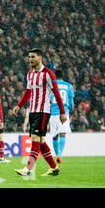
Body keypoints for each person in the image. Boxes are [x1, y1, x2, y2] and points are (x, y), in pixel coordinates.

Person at [13, 48, 67, 177]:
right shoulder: (30, 74)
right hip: (32, 111)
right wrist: (19, 105)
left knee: (35, 139)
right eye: (29, 57)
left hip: (43, 111)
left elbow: (57, 94)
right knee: (41, 141)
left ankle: (29, 169)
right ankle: (54, 168)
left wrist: (62, 112)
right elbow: (28, 92)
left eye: (33, 57)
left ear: (40, 58)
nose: (30, 59)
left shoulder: (48, 74)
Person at [49, 70, 74, 163]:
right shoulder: (68, 86)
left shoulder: (51, 86)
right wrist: (70, 109)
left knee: (55, 135)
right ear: (63, 76)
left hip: (53, 113)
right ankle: (59, 154)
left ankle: (57, 155)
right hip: (64, 113)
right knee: (62, 134)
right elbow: (71, 101)